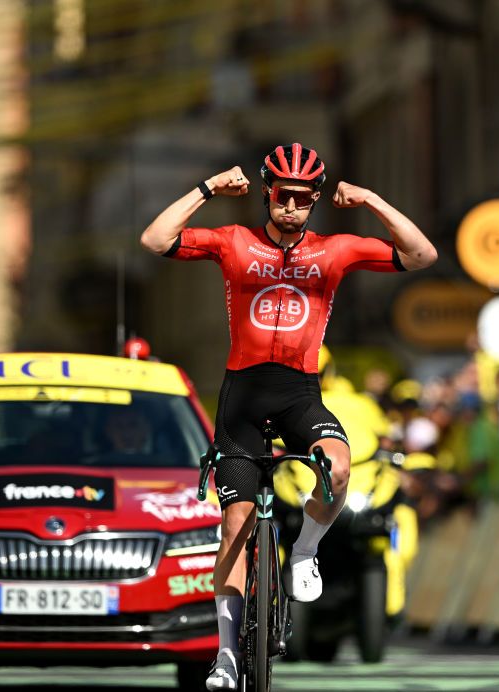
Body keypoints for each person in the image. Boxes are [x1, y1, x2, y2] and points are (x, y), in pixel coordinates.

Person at [139, 142, 436, 689]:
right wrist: (209, 189)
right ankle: (228, 656)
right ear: (268, 194)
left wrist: (369, 197)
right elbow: (155, 240)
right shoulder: (234, 242)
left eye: (303, 198)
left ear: (316, 199)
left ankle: (304, 552)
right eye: (283, 196)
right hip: (243, 397)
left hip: (300, 392)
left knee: (340, 469)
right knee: (236, 525)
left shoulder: (335, 249)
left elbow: (421, 256)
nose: (291, 207)